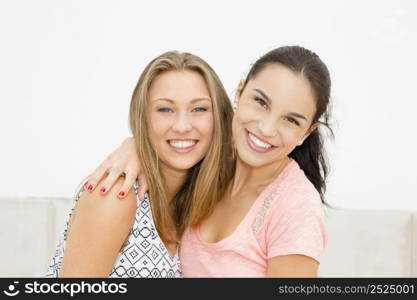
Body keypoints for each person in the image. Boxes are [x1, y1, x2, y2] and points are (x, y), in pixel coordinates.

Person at [85, 46, 333, 277]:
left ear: (306, 133)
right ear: (239, 92)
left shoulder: (296, 208)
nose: (266, 129)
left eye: (291, 120)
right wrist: (137, 146)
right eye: (260, 102)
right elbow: (176, 134)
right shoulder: (210, 157)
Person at [46, 51, 234, 277]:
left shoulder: (196, 205)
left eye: (199, 109)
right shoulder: (116, 196)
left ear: (219, 118)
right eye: (165, 109)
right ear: (142, 117)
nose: (182, 126)